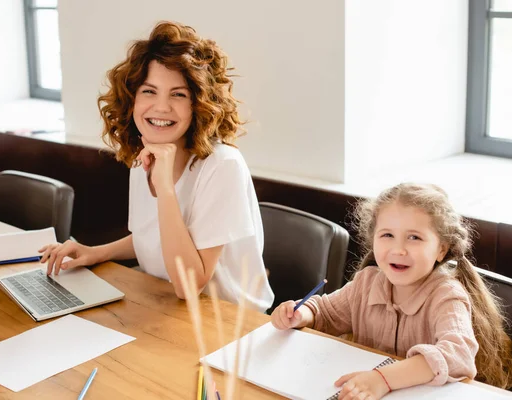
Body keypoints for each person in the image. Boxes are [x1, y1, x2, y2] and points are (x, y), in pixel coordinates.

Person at [38, 21, 274, 312]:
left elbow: (189, 286)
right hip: (168, 307)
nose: (161, 107)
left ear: (198, 103)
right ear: (132, 99)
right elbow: (150, 235)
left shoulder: (222, 166)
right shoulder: (146, 153)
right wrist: (94, 252)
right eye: (149, 91)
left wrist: (165, 188)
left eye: (178, 94)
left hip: (228, 325)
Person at [271, 183, 512, 398]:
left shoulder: (447, 296)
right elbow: (326, 312)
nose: (399, 249)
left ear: (441, 250)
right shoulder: (366, 283)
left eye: (414, 238)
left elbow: (458, 355)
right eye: (387, 235)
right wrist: (299, 314)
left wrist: (382, 379)